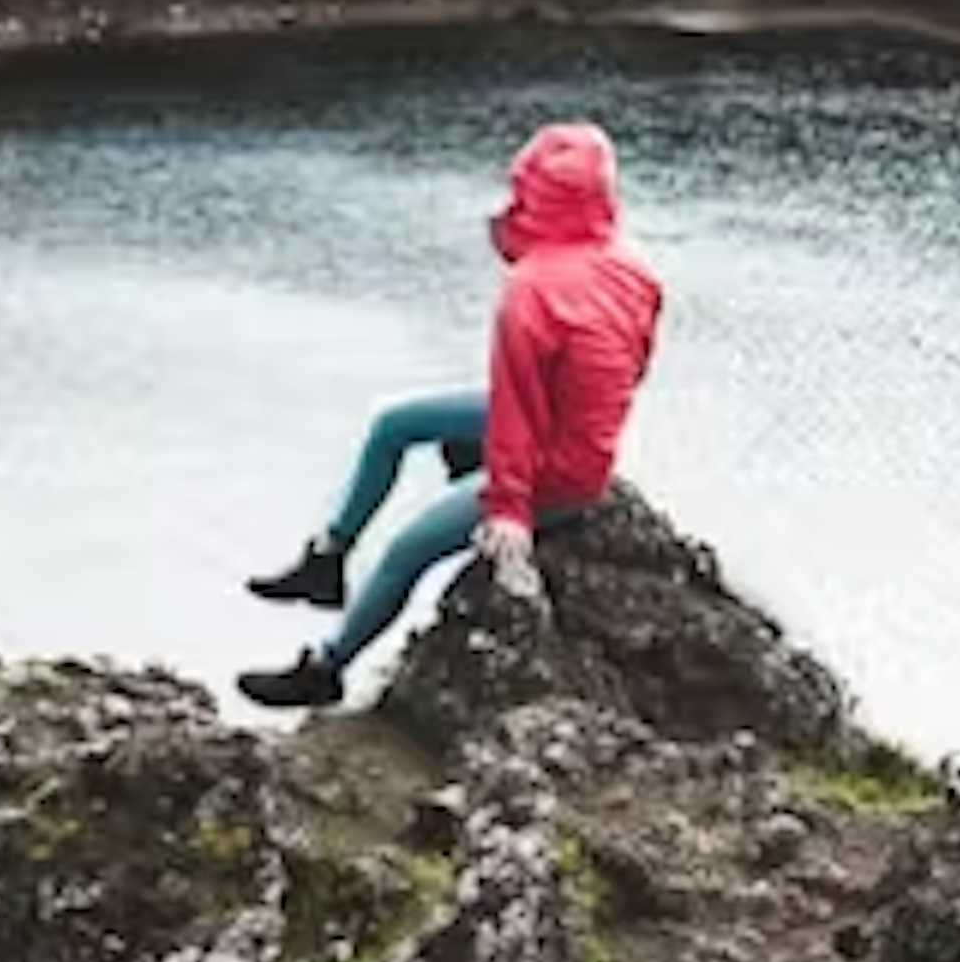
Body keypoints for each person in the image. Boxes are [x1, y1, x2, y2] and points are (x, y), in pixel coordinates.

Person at [237, 120, 664, 709]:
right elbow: (635, 362)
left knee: (405, 553)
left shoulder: (530, 290)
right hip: (572, 430)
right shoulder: (631, 267)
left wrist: (510, 508)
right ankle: (327, 560)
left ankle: (328, 668)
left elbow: (514, 409)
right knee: (396, 424)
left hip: (554, 469)